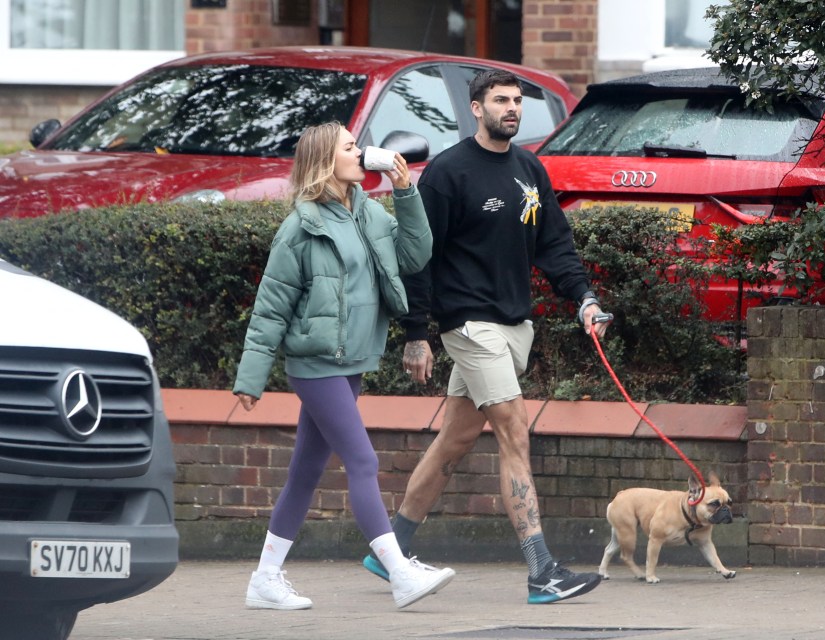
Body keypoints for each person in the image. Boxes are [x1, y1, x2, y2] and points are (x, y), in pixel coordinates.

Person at [361, 69, 611, 604]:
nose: (512, 109)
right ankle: (542, 571)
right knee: (514, 432)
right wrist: (416, 333)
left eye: (518, 101)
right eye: (501, 100)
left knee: (454, 441)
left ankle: (391, 550)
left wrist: (584, 297)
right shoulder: (449, 174)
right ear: (477, 108)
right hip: (469, 325)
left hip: (513, 324)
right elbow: (418, 257)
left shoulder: (529, 169)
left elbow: (555, 244)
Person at [233, 121, 455, 611]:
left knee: (305, 472)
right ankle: (399, 572)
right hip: (316, 364)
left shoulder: (368, 212)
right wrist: (251, 376)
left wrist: (406, 192)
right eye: (350, 147)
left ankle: (265, 579)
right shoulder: (301, 226)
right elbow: (271, 307)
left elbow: (416, 255)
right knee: (363, 461)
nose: (361, 152)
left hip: (351, 360)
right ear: (324, 162)